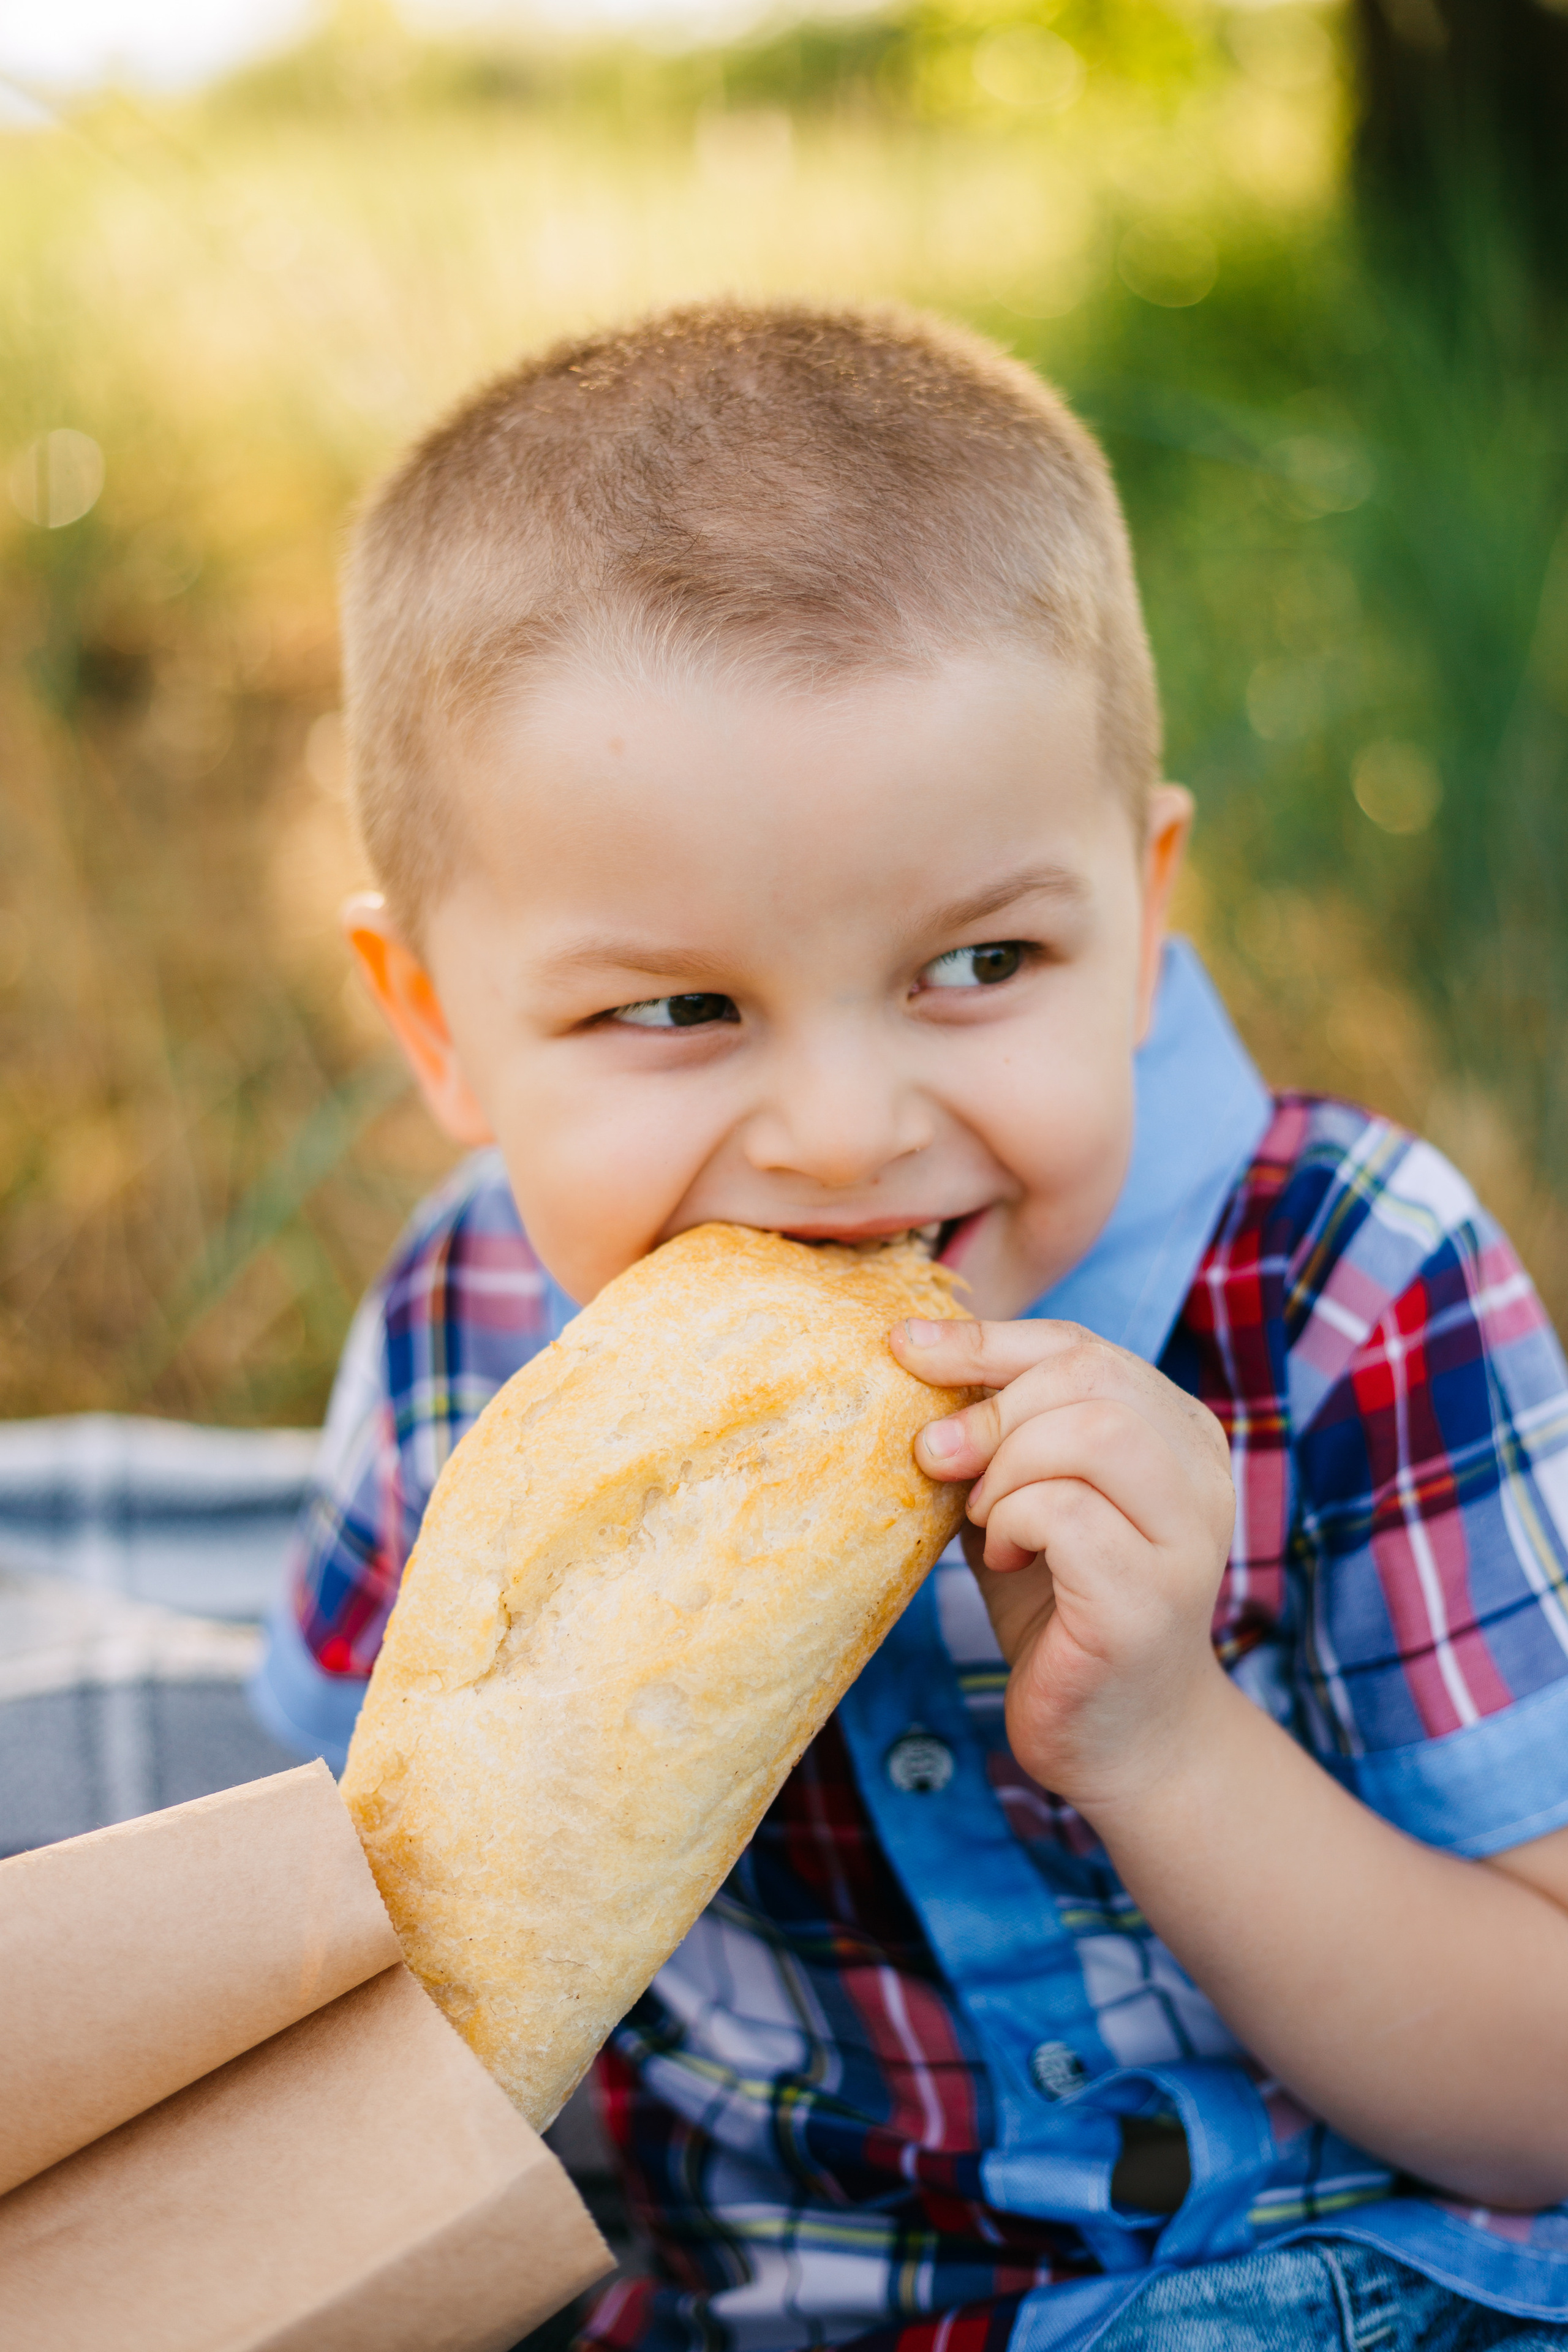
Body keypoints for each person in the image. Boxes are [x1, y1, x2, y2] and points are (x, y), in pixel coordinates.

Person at [249, 303, 1568, 2351]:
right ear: (434, 1023)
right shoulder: (460, 1340)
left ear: (1145, 918)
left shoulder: (1352, 1290)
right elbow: (357, 1958)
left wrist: (1164, 1746)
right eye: (677, 1010)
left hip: (1342, 2283)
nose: (850, 1132)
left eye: (980, 959)